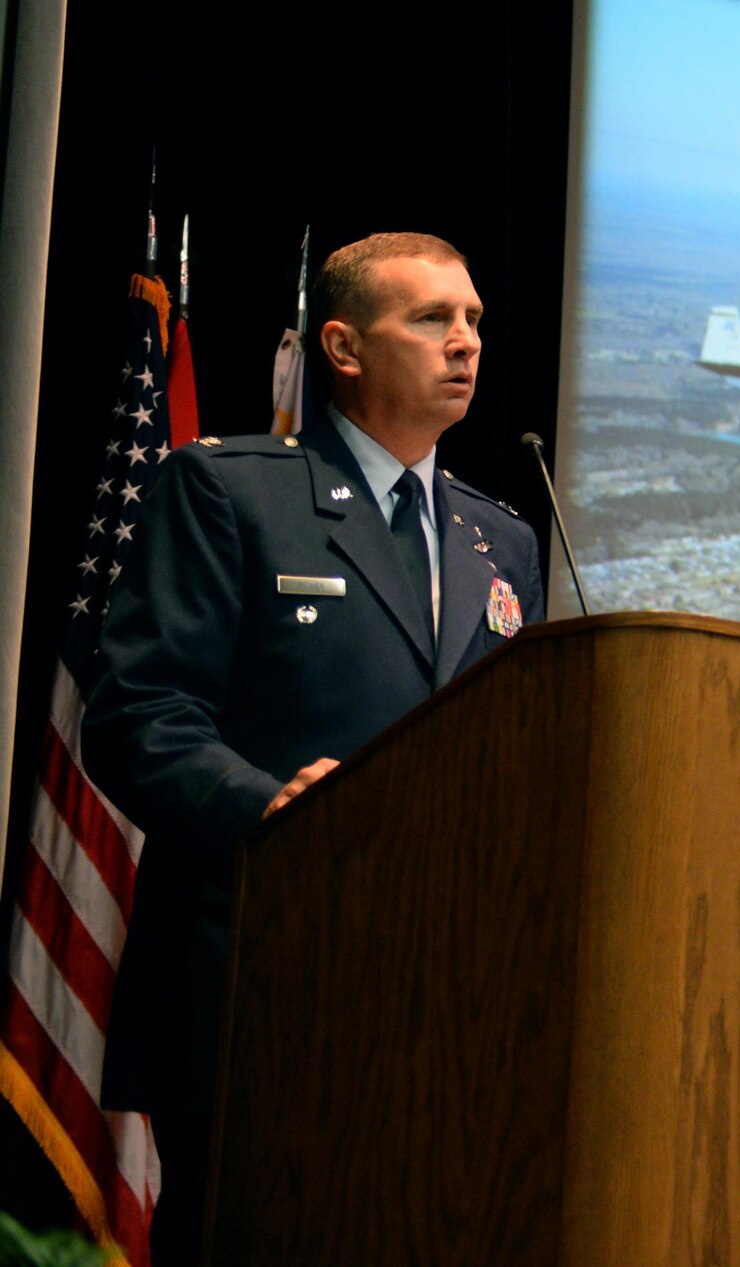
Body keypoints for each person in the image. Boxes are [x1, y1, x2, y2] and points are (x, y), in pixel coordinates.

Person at [83, 232, 545, 1265]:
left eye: (472, 319)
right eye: (431, 319)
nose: (464, 342)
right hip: (259, 985)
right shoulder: (231, 493)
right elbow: (135, 717)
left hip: (445, 1014)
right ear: (341, 345)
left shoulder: (500, 539)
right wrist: (272, 809)